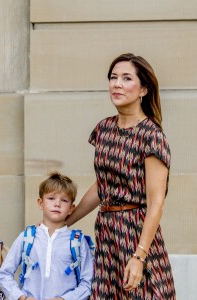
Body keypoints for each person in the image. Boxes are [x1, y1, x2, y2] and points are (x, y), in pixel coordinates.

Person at [66, 53, 176, 299]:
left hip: (137, 232)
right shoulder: (103, 129)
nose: (117, 84)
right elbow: (102, 186)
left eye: (127, 78)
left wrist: (139, 256)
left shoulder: (152, 136)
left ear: (143, 90)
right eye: (113, 77)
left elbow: (156, 203)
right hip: (106, 233)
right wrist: (65, 222)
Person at [0, 172, 94, 300]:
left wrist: (65, 299)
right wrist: (21, 297)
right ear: (40, 203)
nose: (57, 204)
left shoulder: (78, 241)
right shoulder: (26, 237)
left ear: (71, 208)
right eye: (51, 198)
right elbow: (3, 275)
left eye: (64, 200)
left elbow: (88, 283)